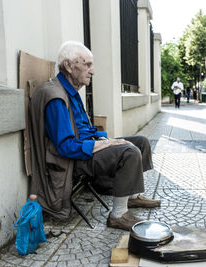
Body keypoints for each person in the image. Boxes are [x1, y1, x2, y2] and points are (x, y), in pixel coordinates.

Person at [29, 41, 160, 231]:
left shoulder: (71, 92)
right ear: (68, 65)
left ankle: (130, 197)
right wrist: (105, 144)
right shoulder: (55, 97)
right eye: (87, 64)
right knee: (129, 153)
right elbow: (66, 147)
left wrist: (102, 139)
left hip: (86, 148)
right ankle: (118, 215)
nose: (93, 71)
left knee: (141, 142)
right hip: (72, 161)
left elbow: (85, 129)